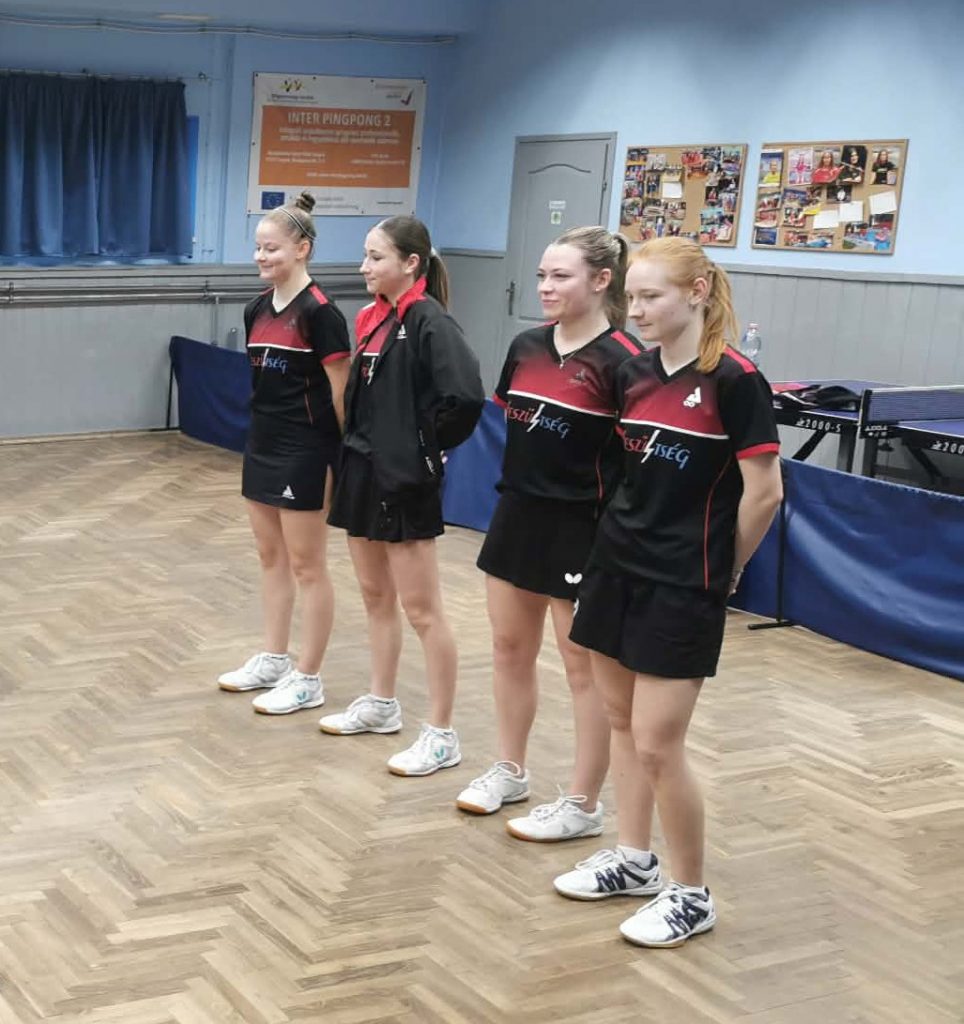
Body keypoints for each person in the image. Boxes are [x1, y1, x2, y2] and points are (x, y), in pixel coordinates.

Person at [552, 237, 782, 948]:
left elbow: (765, 494)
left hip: (684, 582)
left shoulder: (736, 381)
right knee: (621, 723)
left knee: (658, 743)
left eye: (652, 296)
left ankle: (690, 893)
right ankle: (634, 859)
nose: (638, 310)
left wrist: (726, 568)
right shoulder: (633, 372)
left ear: (697, 292)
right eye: (633, 297)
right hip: (615, 567)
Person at [455, 227, 643, 840]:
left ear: (602, 280)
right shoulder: (526, 346)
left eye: (560, 276)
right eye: (542, 275)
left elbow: (634, 466)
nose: (545, 286)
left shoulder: (624, 362)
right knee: (509, 647)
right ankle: (510, 770)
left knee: (582, 669)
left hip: (582, 528)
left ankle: (583, 804)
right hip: (517, 517)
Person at [320, 216, 485, 776]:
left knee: (422, 610)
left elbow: (465, 398)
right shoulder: (372, 318)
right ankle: (381, 703)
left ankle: (441, 733)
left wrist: (422, 450)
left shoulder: (430, 322)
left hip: (403, 481)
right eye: (365, 256)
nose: (363, 267)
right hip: (361, 471)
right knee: (374, 596)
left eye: (375, 257)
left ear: (411, 263)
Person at [217, 193, 351, 714]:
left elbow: (341, 394)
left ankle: (308, 676)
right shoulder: (256, 308)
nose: (261, 257)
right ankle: (273, 658)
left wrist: (343, 457)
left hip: (306, 449)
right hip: (263, 443)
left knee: (307, 565)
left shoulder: (322, 314)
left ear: (302, 249)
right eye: (258, 248)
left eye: (271, 248)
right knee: (270, 556)